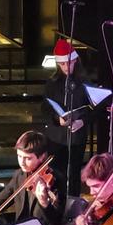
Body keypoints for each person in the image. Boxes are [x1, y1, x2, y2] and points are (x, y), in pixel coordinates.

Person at [0, 130, 65, 225]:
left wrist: (44, 203)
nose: (22, 162)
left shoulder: (54, 180)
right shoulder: (19, 175)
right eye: (19, 156)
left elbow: (55, 222)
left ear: (42, 157)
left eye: (28, 158)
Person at [41, 39, 90, 194]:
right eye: (62, 64)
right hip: (56, 137)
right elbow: (45, 109)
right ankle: (57, 202)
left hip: (77, 136)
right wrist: (58, 119)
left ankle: (73, 203)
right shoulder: (52, 83)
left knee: (74, 174)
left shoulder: (84, 82)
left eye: (68, 63)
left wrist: (82, 121)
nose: (66, 67)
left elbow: (93, 108)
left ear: (75, 60)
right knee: (56, 173)